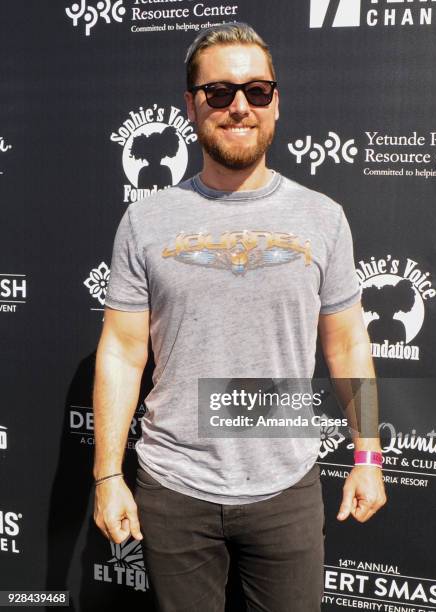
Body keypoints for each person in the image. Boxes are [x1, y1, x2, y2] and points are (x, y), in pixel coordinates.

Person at [93, 22, 387, 612]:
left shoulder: (323, 218)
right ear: (191, 105)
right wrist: (106, 476)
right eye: (219, 93)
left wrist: (369, 454)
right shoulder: (146, 221)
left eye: (256, 91)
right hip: (173, 488)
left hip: (286, 487)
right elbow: (123, 352)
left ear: (276, 103)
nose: (239, 107)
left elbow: (349, 343)